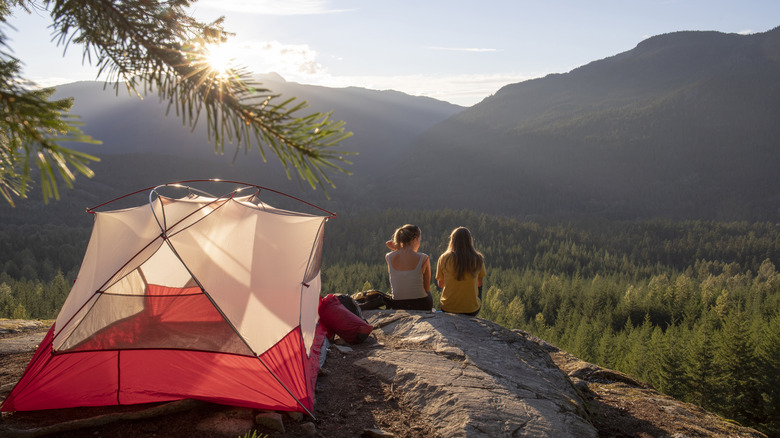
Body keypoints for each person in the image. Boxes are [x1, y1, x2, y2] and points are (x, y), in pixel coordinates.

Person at [436, 227, 486, 316]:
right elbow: (479, 283)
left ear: (452, 240)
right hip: (471, 310)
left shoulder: (444, 258)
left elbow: (440, 284)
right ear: (470, 241)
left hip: (448, 308)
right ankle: (472, 303)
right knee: (479, 287)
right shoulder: (478, 258)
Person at [384, 224, 433, 311]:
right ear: (414, 240)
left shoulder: (389, 257)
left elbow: (389, 244)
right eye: (419, 241)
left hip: (398, 304)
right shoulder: (424, 258)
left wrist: (398, 247)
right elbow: (426, 288)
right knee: (428, 294)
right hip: (421, 304)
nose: (419, 244)